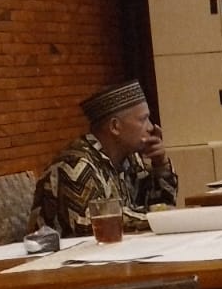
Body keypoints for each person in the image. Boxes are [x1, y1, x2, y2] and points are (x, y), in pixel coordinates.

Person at [29, 80, 177, 237]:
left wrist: (161, 166)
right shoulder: (75, 166)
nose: (151, 127)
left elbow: (161, 206)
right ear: (115, 127)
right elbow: (95, 224)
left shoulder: (131, 160)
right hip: (66, 252)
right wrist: (162, 219)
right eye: (143, 119)